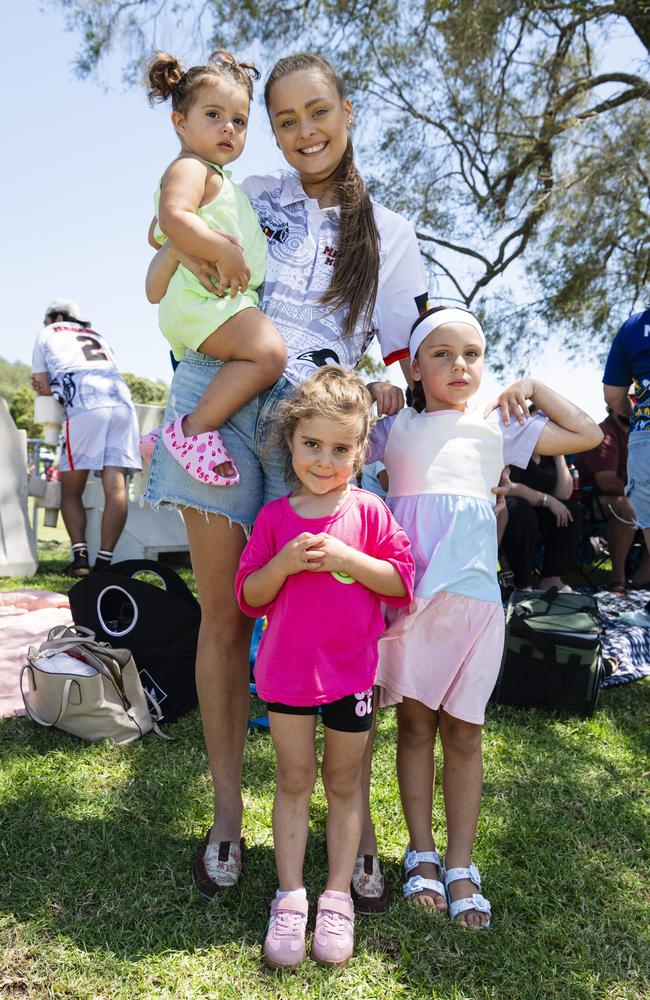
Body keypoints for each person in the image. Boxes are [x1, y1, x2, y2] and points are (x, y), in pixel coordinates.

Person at [144, 53, 429, 906]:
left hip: (316, 434)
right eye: (286, 120)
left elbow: (410, 354)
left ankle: (357, 825)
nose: (305, 133)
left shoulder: (392, 231)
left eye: (319, 113)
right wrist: (165, 263)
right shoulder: (245, 189)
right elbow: (165, 255)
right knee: (226, 617)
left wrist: (389, 384)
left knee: (340, 623)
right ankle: (229, 816)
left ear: (348, 110)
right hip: (222, 396)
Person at [368, 305, 603, 928]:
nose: (460, 366)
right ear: (414, 365)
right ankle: (420, 854)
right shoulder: (394, 426)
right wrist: (372, 395)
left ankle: (460, 863)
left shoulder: (498, 425)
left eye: (472, 353)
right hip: (413, 593)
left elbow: (586, 434)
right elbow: (322, 424)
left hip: (473, 600)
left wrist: (532, 388)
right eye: (441, 354)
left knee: (465, 730)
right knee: (415, 726)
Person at [234, 367, 414, 968]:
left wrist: (347, 557)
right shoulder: (275, 519)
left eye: (341, 448)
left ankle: (336, 895)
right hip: (286, 677)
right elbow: (249, 596)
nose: (324, 459)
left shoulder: (369, 512)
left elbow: (399, 583)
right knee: (292, 780)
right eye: (312, 444)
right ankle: (290, 896)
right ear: (291, 442)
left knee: (343, 783)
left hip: (350, 678)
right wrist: (283, 563)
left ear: (361, 450)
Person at [143, 50, 287, 485]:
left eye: (239, 121)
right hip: (205, 301)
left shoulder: (216, 178)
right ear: (180, 123)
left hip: (214, 302)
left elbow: (155, 233)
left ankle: (166, 431)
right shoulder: (190, 167)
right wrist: (221, 252)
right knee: (269, 354)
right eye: (213, 114)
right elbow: (169, 219)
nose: (228, 127)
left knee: (263, 353)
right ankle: (191, 430)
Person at [31, 299, 141, 576]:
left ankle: (80, 558)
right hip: (122, 404)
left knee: (71, 489)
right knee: (116, 487)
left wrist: (46, 389)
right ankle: (104, 562)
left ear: (55, 316)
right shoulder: (97, 335)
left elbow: (42, 384)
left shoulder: (48, 333)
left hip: (85, 405)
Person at [575, 406, 650, 594]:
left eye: (635, 404)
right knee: (628, 508)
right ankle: (617, 578)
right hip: (587, 500)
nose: (632, 409)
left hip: (624, 496)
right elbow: (606, 482)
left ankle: (643, 578)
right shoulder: (604, 434)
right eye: (627, 404)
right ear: (612, 408)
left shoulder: (639, 435)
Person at [500, 451, 582, 592]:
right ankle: (523, 584)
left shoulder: (548, 453)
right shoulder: (515, 449)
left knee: (570, 510)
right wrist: (547, 500)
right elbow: (508, 486)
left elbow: (564, 493)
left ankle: (552, 579)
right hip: (510, 510)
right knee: (521, 510)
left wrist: (558, 453)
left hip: (538, 511)